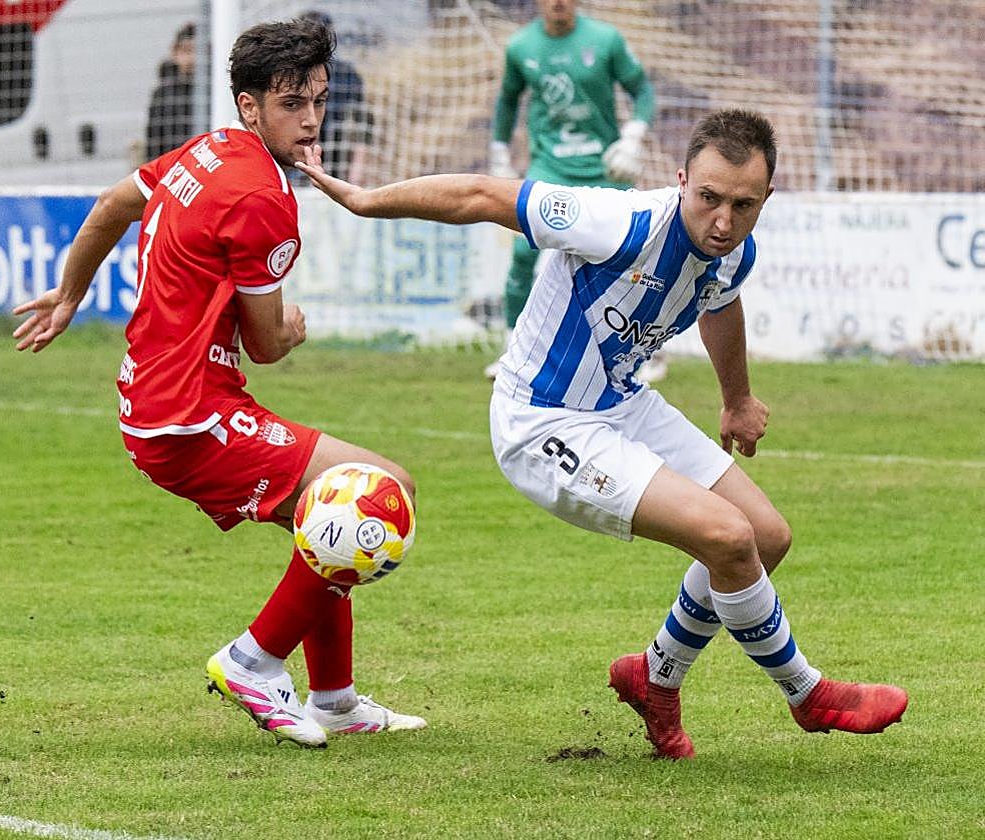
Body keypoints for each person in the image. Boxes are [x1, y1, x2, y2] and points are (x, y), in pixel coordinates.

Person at [297, 108, 908, 758]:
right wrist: (365, 200)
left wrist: (737, 399)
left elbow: (719, 304)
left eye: (743, 205)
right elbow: (481, 195)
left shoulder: (734, 253)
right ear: (681, 181)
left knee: (766, 536)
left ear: (766, 198)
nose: (723, 222)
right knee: (728, 538)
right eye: (708, 198)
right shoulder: (618, 222)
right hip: (541, 419)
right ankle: (807, 694)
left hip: (620, 402)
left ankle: (654, 677)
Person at [13, 16, 426, 749]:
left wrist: (70, 293)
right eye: (291, 103)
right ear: (249, 106)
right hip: (190, 418)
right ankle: (253, 662)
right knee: (382, 491)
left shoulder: (206, 151)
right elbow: (266, 346)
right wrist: (291, 327)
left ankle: (334, 699)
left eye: (318, 101)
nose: (310, 120)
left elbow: (111, 206)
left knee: (327, 513)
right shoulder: (263, 199)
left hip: (163, 402)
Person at [486, 0, 656, 382]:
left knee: (638, 255)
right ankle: (513, 349)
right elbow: (507, 102)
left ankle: (643, 350)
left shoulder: (606, 40)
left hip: (604, 167)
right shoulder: (520, 47)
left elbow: (643, 91)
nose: (558, 2)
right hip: (550, 168)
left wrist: (633, 136)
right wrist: (499, 153)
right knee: (522, 252)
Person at [297, 10, 371, 183]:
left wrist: (356, 170)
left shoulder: (346, 74)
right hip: (296, 161)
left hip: (331, 161)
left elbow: (365, 124)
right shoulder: (286, 74)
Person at [145, 23, 197, 160]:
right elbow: (154, 138)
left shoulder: (217, 91)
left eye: (197, 51)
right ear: (174, 52)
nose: (191, 58)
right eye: (186, 50)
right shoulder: (163, 93)